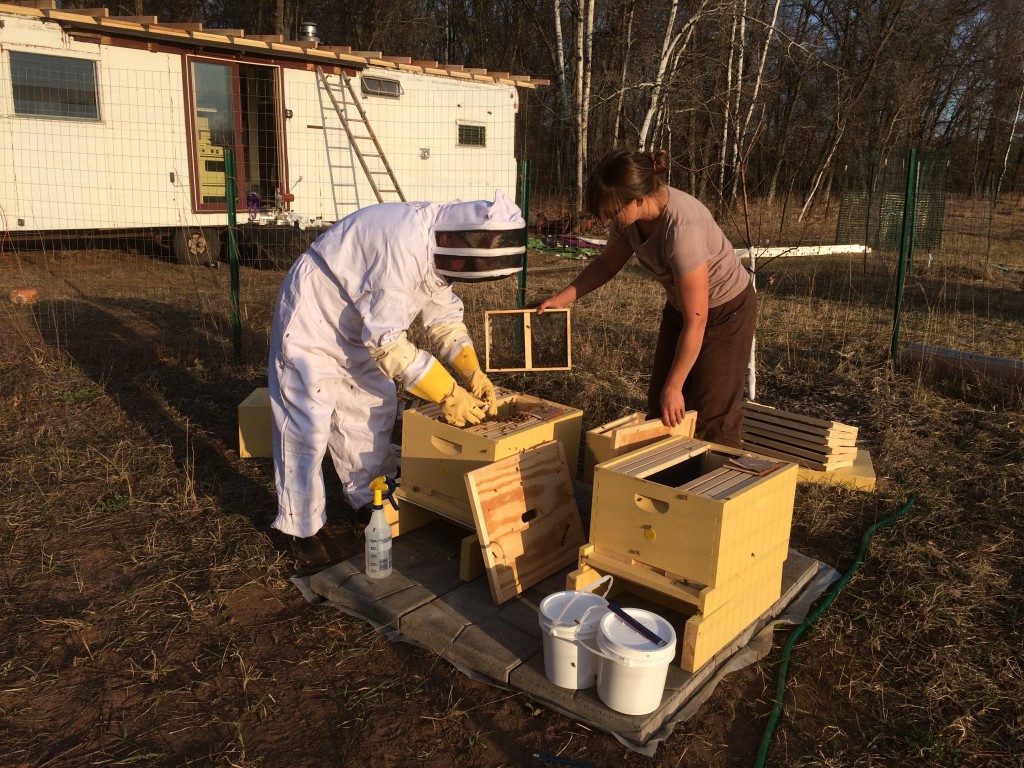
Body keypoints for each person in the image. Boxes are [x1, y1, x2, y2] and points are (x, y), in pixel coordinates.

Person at [269, 190, 527, 564]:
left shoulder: (443, 249)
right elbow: (388, 345)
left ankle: (368, 498)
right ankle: (300, 526)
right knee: (306, 424)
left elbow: (444, 320)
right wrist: (447, 393)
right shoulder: (402, 244)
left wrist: (472, 372)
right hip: (316, 319)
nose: (462, 268)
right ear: (452, 237)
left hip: (365, 325)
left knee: (371, 409)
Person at [532, 148, 755, 448]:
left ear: (638, 198)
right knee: (661, 404)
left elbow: (698, 319)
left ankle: (721, 483)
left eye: (613, 212)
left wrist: (676, 386)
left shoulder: (682, 228)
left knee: (713, 415)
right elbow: (607, 263)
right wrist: (563, 298)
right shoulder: (629, 217)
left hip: (726, 313)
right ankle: (666, 481)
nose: (610, 219)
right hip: (683, 309)